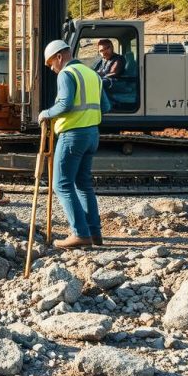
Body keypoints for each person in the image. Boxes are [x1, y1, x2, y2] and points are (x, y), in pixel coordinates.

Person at [38, 40, 112, 248]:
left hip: (72, 135)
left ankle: (80, 234)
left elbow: (65, 104)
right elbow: (105, 106)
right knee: (83, 184)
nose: (52, 69)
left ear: (59, 57)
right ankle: (95, 234)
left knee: (62, 184)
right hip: (92, 134)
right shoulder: (93, 75)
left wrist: (46, 114)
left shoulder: (66, 74)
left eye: (51, 63)